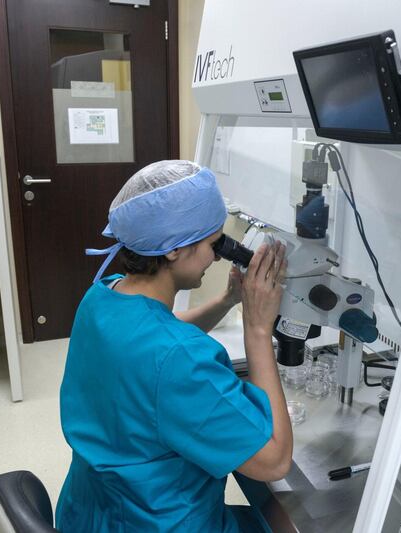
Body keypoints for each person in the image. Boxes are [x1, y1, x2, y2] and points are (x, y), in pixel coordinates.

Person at [56, 160, 292, 532]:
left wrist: (228, 301)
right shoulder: (182, 360)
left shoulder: (103, 295)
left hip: (91, 513)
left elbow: (156, 333)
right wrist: (258, 329)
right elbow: (274, 461)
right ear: (172, 250)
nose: (217, 256)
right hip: (154, 522)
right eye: (213, 244)